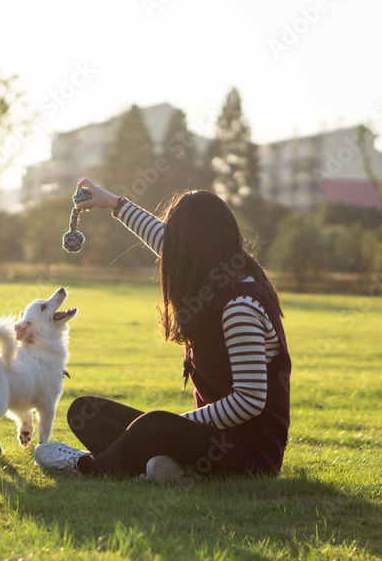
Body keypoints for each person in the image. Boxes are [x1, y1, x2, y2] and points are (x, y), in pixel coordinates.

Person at [33, 179, 292, 482]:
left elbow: (248, 400)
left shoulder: (241, 307)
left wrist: (179, 425)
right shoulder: (219, 274)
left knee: (155, 425)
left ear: (194, 248)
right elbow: (165, 241)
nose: (169, 256)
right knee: (84, 411)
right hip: (211, 440)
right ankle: (166, 467)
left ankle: (87, 466)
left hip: (249, 455)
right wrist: (113, 203)